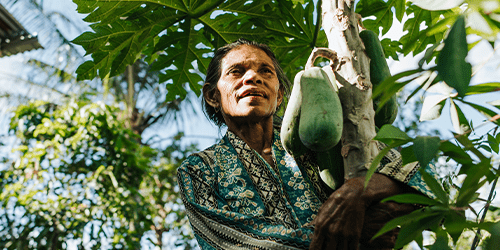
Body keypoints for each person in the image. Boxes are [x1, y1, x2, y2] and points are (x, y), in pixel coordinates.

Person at [177, 38, 435, 250]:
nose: (253, 77)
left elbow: (427, 176)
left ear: (279, 96)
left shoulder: (325, 133)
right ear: (213, 96)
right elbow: (231, 242)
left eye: (265, 71)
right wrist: (352, 232)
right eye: (237, 71)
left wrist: (360, 189)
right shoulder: (198, 170)